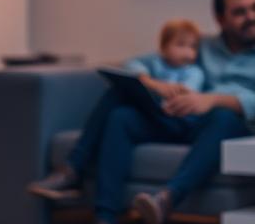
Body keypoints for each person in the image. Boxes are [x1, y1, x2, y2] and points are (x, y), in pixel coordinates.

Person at [32, 0, 255, 224]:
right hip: (182, 118)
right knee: (120, 107)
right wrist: (156, 85)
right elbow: (136, 64)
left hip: (230, 126)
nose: (252, 17)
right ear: (220, 19)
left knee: (223, 116)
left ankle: (166, 199)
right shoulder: (202, 45)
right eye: (240, 12)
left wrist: (212, 99)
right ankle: (100, 216)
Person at [28, 19, 205, 201]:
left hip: (172, 117)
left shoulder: (193, 72)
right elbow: (131, 65)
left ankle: (73, 167)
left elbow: (186, 93)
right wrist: (153, 84)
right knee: (118, 109)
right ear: (164, 46)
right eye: (181, 45)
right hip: (147, 114)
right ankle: (75, 174)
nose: (188, 52)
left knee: (118, 94)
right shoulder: (153, 61)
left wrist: (159, 88)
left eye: (193, 47)